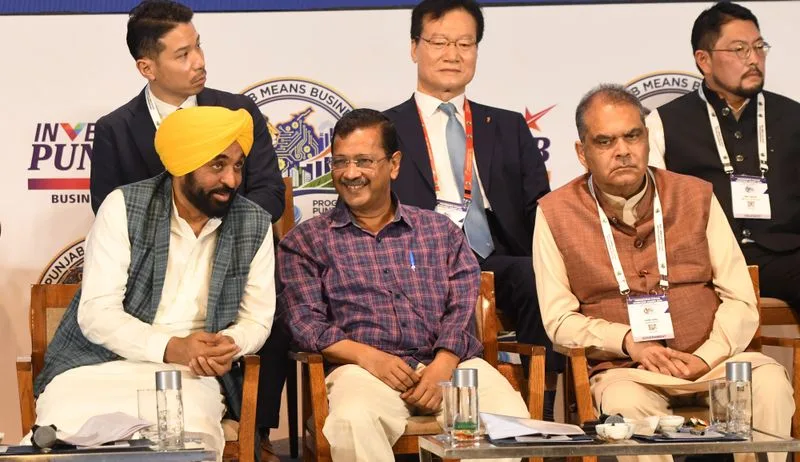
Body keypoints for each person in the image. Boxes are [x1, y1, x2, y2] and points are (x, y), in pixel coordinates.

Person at [533, 84, 793, 462]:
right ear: (582, 153)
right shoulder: (555, 212)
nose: (622, 150)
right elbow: (558, 320)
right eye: (605, 141)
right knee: (625, 403)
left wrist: (707, 356)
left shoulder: (695, 195)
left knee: (767, 381)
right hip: (629, 371)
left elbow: (740, 297)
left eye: (632, 136)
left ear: (646, 139)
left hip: (713, 363)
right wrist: (628, 341)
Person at [89, 2, 288, 457]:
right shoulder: (117, 129)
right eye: (182, 54)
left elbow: (269, 191)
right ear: (147, 67)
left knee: (273, 307)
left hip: (232, 258)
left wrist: (226, 227)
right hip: (150, 281)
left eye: (198, 47)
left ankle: (255, 433)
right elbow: (108, 209)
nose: (199, 61)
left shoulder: (238, 110)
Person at [279, 108, 529, 462]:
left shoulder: (440, 232)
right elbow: (305, 323)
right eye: (340, 162)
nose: (350, 173)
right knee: (351, 420)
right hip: (363, 372)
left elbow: (461, 308)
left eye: (364, 161)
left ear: (394, 165)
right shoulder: (306, 241)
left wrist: (443, 365)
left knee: (511, 421)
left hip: (449, 366)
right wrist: (369, 357)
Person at [32, 106, 275, 461]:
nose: (232, 180)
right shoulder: (124, 207)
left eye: (238, 166)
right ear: (181, 165)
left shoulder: (253, 222)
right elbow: (97, 314)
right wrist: (172, 347)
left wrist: (228, 344)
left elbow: (257, 318)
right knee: (64, 433)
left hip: (190, 375)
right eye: (217, 165)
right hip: (95, 366)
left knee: (185, 437)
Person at [383, 0, 560, 418]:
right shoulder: (385, 128)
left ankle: (542, 409)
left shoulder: (508, 126)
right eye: (439, 42)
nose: (453, 54)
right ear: (414, 47)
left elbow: (539, 208)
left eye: (465, 44)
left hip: (495, 259)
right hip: (419, 264)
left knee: (540, 274)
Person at [647, 1, 800, 310]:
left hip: (786, 257)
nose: (754, 59)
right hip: (707, 263)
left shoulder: (793, 116)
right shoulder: (663, 123)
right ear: (704, 60)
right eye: (739, 49)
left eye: (759, 47)